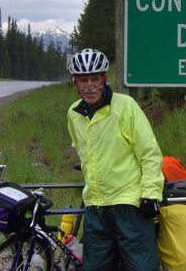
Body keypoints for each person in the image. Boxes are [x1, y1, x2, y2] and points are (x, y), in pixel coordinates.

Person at [66, 48, 163, 271]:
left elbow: (149, 152)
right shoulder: (74, 113)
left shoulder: (125, 106)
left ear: (104, 79)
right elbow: (83, 151)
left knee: (142, 268)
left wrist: (150, 194)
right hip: (96, 207)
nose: (89, 86)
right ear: (76, 82)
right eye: (83, 80)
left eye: (95, 79)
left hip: (129, 206)